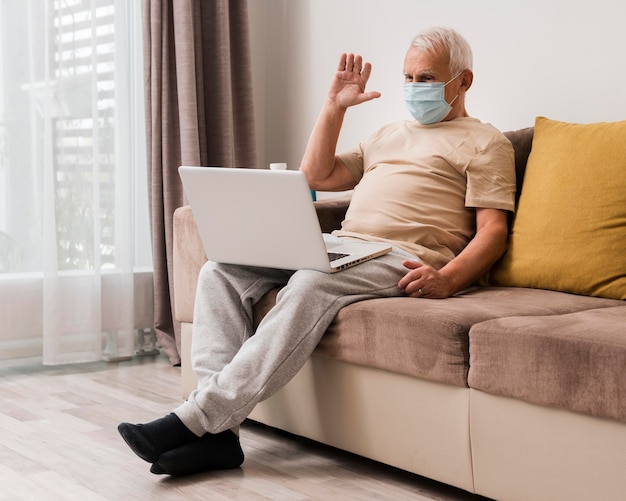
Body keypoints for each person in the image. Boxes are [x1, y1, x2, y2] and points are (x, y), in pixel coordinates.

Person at [118, 26, 516, 476]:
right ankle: (220, 440)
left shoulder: (487, 143)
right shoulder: (387, 135)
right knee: (220, 270)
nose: (413, 88)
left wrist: (448, 279)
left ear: (463, 82)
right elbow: (316, 175)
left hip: (402, 256)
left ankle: (196, 417)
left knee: (311, 282)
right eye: (407, 78)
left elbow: (492, 232)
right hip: (345, 245)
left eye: (425, 79)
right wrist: (334, 107)